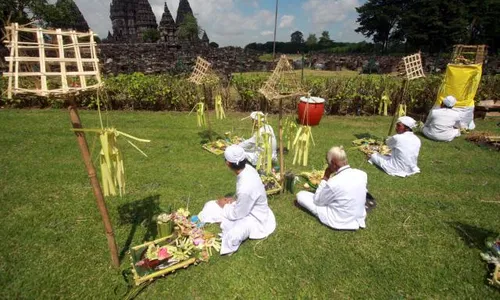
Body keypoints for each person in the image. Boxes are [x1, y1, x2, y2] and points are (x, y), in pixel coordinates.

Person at [198, 145, 276, 255]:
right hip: (248, 207)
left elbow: (239, 214)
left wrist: (225, 206)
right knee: (211, 205)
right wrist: (233, 201)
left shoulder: (245, 187)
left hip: (257, 219)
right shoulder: (248, 168)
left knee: (233, 235)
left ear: (228, 163)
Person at [296, 146, 367, 230]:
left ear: (333, 164)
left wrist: (326, 177)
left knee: (301, 195)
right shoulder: (362, 174)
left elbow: (318, 201)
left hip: (339, 220)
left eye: (328, 164)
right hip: (358, 215)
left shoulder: (333, 182)